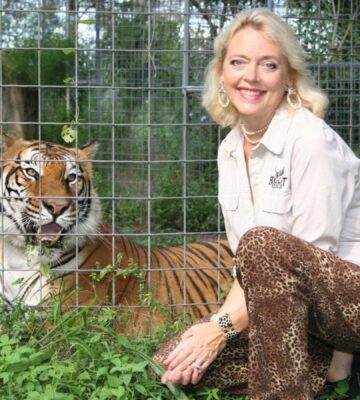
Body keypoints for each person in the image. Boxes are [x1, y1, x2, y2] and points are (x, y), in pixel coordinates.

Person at [153, 7, 360, 400]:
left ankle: (304, 375)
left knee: (264, 245)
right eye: (238, 62)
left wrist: (223, 330)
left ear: (289, 78)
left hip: (348, 300)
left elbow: (299, 259)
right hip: (294, 308)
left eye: (268, 64)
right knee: (172, 361)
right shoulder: (230, 148)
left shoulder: (310, 140)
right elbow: (247, 267)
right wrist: (214, 329)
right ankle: (325, 367)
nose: (250, 76)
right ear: (221, 74)